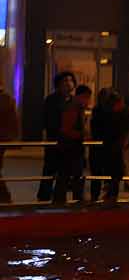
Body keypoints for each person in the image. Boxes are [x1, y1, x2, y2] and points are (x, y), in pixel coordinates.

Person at [36, 72, 77, 201]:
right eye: (65, 80)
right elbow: (48, 121)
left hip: (69, 143)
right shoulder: (51, 100)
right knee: (49, 170)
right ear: (58, 84)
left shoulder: (74, 101)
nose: (68, 83)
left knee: (65, 172)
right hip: (54, 141)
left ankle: (59, 198)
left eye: (71, 80)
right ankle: (43, 197)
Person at [52, 84, 93, 204]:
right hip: (70, 147)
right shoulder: (73, 108)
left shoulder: (74, 107)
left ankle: (64, 200)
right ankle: (70, 200)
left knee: (68, 175)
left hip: (70, 147)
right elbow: (66, 130)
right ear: (82, 96)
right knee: (70, 175)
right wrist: (82, 134)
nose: (88, 101)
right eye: (87, 98)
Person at [89, 88, 129, 203]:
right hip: (108, 147)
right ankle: (105, 197)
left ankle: (104, 196)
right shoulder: (106, 111)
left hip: (108, 147)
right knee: (106, 174)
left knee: (108, 175)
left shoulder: (110, 111)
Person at [0, 86, 18, 205]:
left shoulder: (5, 100)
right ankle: (5, 198)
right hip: (3, 139)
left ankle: (5, 198)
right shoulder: (8, 99)